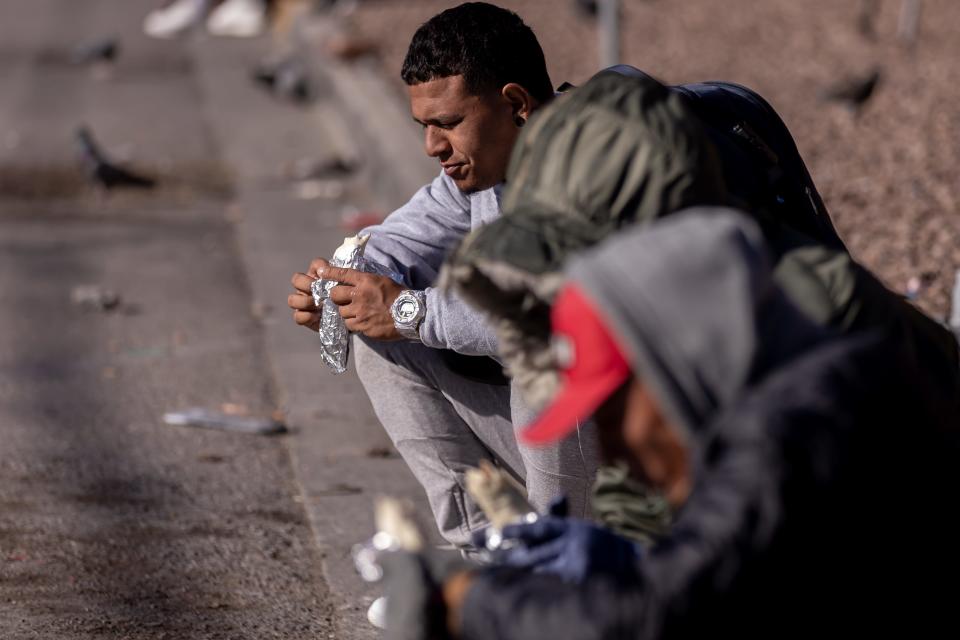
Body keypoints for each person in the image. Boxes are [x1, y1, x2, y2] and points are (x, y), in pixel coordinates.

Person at [379, 210, 960, 640]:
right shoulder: (825, 386)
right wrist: (628, 561)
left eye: (609, 413)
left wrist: (470, 599)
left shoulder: (790, 434)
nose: (610, 453)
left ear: (673, 365)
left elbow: (648, 618)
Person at [288, 2, 599, 548]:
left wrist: (408, 310)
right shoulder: (490, 169)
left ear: (516, 105)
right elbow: (404, 236)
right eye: (425, 126)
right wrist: (347, 283)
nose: (433, 147)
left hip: (668, 467)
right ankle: (489, 557)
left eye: (448, 124)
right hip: (588, 444)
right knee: (381, 340)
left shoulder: (603, 169)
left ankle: (566, 573)